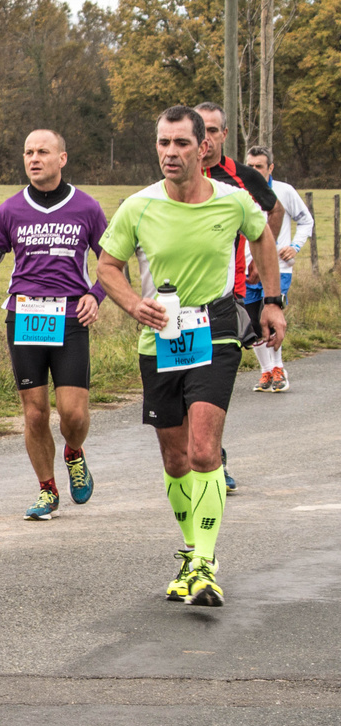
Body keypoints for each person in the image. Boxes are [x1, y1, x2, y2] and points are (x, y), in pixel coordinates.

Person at [95, 105, 283, 607]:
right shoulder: (137, 206)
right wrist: (134, 303)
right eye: (162, 143)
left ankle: (204, 561)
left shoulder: (232, 200)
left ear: (203, 147)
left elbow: (263, 236)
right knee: (175, 457)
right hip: (160, 336)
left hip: (216, 329)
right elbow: (108, 265)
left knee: (204, 450)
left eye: (180, 143)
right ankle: (191, 551)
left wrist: (271, 300)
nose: (170, 153)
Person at [0, 130, 108, 520]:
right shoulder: (11, 209)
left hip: (70, 318)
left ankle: (74, 451)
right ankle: (47, 489)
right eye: (28, 152)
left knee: (73, 415)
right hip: (26, 317)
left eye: (42, 152)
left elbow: (112, 260)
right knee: (34, 413)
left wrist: (94, 295)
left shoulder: (87, 207)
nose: (34, 158)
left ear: (62, 158)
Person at [194, 102, 282, 495]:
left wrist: (265, 260)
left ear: (224, 135)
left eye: (214, 130)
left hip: (232, 296)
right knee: (185, 383)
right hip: (181, 299)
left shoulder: (240, 176)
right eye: (202, 130)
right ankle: (204, 451)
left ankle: (214, 457)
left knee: (212, 380)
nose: (207, 139)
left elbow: (273, 212)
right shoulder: (178, 173)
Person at [244, 145, 313, 392]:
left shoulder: (284, 191)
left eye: (259, 166)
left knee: (270, 317)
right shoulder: (236, 191)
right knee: (252, 324)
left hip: (278, 267)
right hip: (246, 269)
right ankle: (265, 372)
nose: (253, 171)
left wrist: (294, 246)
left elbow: (306, 220)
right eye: (249, 166)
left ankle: (278, 369)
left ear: (270, 167)